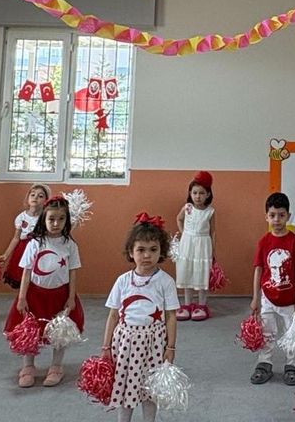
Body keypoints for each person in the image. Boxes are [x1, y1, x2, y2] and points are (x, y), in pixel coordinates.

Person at [100, 213, 179, 422]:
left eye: (153, 250)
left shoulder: (166, 282)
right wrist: (106, 347)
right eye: (141, 250)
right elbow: (113, 315)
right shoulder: (122, 281)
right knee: (124, 386)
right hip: (125, 344)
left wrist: (170, 347)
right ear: (131, 252)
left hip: (154, 344)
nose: (147, 255)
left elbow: (171, 316)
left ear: (161, 251)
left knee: (150, 388)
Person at [4, 196, 83, 388]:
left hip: (60, 296)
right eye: (51, 219)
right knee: (30, 330)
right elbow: (26, 272)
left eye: (61, 219)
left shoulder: (70, 245)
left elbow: (73, 272)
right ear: (44, 219)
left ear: (66, 221)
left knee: (59, 331)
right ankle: (28, 366)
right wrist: (22, 297)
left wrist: (71, 297)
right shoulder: (34, 243)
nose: (56, 223)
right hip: (34, 295)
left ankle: (56, 366)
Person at [250, 192, 295, 386]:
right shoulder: (264, 242)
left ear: (288, 216)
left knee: (291, 333)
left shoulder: (294, 241)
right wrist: (255, 298)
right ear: (266, 216)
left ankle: (292, 364)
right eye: (272, 215)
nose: (277, 220)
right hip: (267, 298)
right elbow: (258, 270)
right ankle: (264, 362)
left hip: (289, 299)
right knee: (268, 332)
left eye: (281, 215)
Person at [175, 171, 216, 321]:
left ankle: (201, 305)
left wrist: (213, 250)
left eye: (201, 193)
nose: (198, 196)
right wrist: (184, 233)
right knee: (188, 272)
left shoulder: (210, 212)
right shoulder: (187, 208)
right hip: (187, 245)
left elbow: (213, 231)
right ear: (190, 194)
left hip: (203, 245)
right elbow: (179, 219)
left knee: (201, 274)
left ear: (208, 194)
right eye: (194, 193)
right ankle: (187, 305)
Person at [0, 184, 50, 289]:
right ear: (28, 198)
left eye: (40, 196)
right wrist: (6, 254)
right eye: (33, 195)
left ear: (45, 201)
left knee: (37, 277)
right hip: (23, 251)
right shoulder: (21, 217)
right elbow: (16, 238)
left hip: (39, 249)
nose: (35, 197)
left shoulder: (46, 217)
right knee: (23, 277)